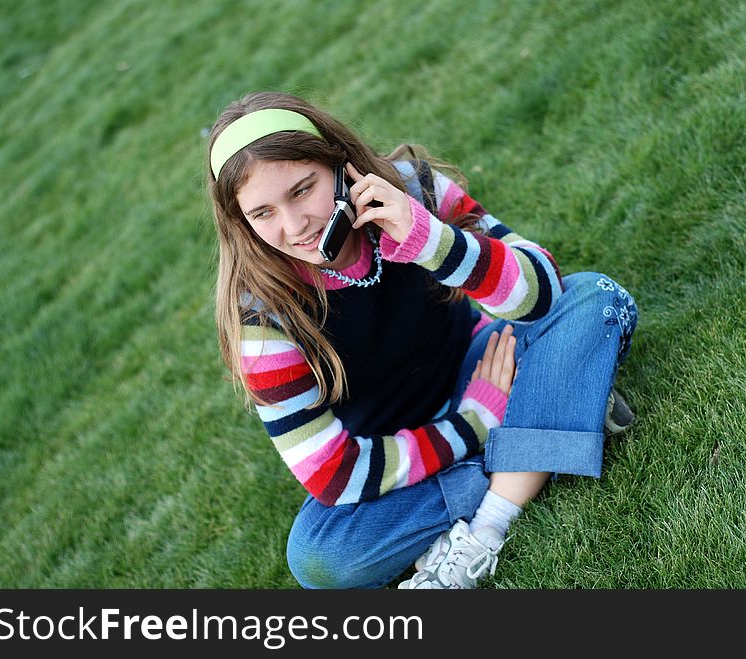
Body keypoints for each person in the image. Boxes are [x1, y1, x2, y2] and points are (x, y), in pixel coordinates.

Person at [205, 91, 638, 589]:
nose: (294, 225)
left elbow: (541, 293)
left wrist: (425, 237)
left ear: (341, 167)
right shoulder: (262, 319)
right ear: (241, 222)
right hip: (388, 455)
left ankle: (488, 524)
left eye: (303, 190)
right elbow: (334, 474)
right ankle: (550, 420)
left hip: (482, 362)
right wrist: (475, 422)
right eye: (263, 214)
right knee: (319, 557)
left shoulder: (414, 187)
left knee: (595, 299)